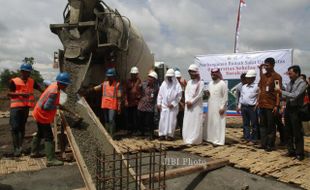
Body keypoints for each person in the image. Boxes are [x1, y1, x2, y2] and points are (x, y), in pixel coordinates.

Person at [31, 72, 78, 166]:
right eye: (66, 85)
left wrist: (60, 106)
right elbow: (47, 107)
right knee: (49, 137)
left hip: (37, 112)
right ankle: (50, 160)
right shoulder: (54, 92)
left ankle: (34, 152)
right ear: (62, 83)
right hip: (42, 115)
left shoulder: (54, 85)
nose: (66, 87)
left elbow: (52, 100)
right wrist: (56, 106)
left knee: (40, 133)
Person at [7, 63, 42, 156]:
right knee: (15, 128)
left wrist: (48, 92)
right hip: (16, 107)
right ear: (22, 71)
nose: (28, 74)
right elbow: (9, 93)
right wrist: (21, 94)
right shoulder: (14, 81)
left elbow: (40, 88)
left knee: (22, 127)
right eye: (26, 72)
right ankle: (16, 149)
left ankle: (20, 147)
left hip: (26, 108)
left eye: (29, 72)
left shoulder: (31, 81)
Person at [276, 65, 307, 161]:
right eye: (288, 73)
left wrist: (281, 91)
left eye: (291, 73)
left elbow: (295, 95)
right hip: (288, 109)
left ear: (297, 73)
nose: (289, 75)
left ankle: (299, 153)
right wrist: (279, 95)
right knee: (288, 131)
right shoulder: (290, 83)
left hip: (296, 110)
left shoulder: (302, 83)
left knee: (297, 132)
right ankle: (290, 150)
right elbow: (287, 96)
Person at [87, 68, 122, 139]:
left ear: (114, 76)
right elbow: (97, 88)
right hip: (105, 104)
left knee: (111, 120)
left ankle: (111, 135)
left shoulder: (117, 85)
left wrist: (119, 107)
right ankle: (107, 134)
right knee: (106, 120)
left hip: (112, 105)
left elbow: (119, 97)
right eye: (108, 76)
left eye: (110, 76)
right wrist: (88, 90)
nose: (109, 77)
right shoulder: (104, 84)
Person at [257, 57, 282, 152]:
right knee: (262, 125)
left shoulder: (277, 77)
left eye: (267, 65)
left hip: (271, 105)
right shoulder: (263, 76)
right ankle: (263, 143)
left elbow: (278, 92)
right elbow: (261, 88)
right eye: (265, 65)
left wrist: (276, 105)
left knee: (271, 126)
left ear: (273, 65)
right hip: (262, 104)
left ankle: (270, 145)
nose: (265, 67)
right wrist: (257, 101)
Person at [204, 68, 228, 146]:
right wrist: (207, 93)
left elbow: (225, 97)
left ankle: (218, 140)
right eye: (212, 74)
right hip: (211, 106)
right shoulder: (210, 83)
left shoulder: (222, 83)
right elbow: (209, 95)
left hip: (219, 107)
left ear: (218, 74)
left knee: (218, 123)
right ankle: (211, 138)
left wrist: (222, 107)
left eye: (214, 74)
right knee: (211, 122)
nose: (213, 76)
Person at [157, 69, 182, 141]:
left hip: (172, 107)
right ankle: (162, 134)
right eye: (168, 76)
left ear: (173, 77)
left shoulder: (177, 85)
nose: (169, 78)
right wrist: (159, 103)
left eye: (171, 77)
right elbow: (160, 95)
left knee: (172, 120)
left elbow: (179, 96)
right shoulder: (163, 84)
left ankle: (170, 135)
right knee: (162, 120)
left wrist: (173, 104)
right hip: (164, 106)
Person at [182, 64, 204, 145]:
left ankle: (194, 139)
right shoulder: (189, 82)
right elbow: (186, 92)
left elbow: (200, 94)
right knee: (188, 122)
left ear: (196, 73)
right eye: (190, 72)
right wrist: (187, 101)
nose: (191, 74)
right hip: (188, 106)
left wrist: (192, 102)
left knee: (195, 122)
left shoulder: (200, 83)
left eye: (192, 72)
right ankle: (187, 138)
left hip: (196, 106)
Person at [237, 70, 259, 144]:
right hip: (244, 107)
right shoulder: (243, 87)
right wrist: (239, 106)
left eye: (249, 78)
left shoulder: (257, 86)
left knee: (254, 124)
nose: (247, 79)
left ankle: (254, 139)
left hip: (252, 107)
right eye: (247, 78)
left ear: (253, 78)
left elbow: (260, 96)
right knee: (245, 124)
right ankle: (247, 138)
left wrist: (257, 104)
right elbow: (241, 97)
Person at [137, 71, 158, 139]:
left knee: (149, 122)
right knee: (140, 120)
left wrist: (156, 106)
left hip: (150, 107)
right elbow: (138, 89)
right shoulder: (144, 84)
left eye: (150, 78)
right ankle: (141, 133)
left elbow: (157, 97)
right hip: (142, 106)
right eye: (148, 77)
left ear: (154, 80)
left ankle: (150, 135)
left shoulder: (156, 88)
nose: (149, 79)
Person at [124, 66, 141, 135]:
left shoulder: (139, 81)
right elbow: (125, 92)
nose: (133, 75)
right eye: (132, 74)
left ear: (137, 74)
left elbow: (141, 91)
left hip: (136, 102)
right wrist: (125, 101)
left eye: (134, 74)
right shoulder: (128, 82)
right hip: (129, 102)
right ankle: (129, 130)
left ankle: (135, 130)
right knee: (129, 117)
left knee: (136, 117)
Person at [175, 70, 187, 136]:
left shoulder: (182, 85)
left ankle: (182, 133)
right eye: (176, 77)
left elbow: (185, 94)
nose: (177, 79)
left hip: (181, 106)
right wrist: (180, 103)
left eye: (179, 77)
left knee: (181, 120)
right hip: (176, 105)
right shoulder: (173, 85)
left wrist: (183, 103)